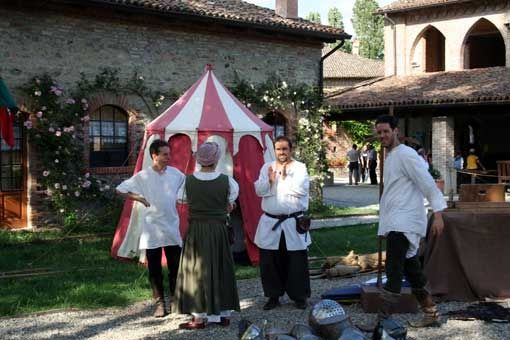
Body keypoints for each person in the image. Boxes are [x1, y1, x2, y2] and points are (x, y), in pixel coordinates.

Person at [374, 115, 446, 328]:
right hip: (397, 220)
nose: (382, 136)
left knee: (394, 269)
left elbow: (427, 182)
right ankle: (431, 313)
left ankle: (383, 321)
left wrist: (439, 213)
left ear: (396, 130)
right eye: (379, 132)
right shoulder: (392, 156)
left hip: (403, 221)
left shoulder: (406, 154)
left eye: (386, 131)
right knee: (412, 269)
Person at [174, 141, 240, 330]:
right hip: (218, 230)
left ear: (199, 160)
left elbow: (180, 199)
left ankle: (199, 317)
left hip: (197, 230)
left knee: (196, 270)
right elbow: (230, 200)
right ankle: (222, 315)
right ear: (217, 159)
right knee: (220, 267)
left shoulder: (188, 181)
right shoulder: (228, 181)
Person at [116, 139, 185, 318]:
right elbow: (120, 189)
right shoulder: (143, 176)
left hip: (171, 226)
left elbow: (186, 190)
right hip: (152, 228)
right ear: (154, 155)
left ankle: (176, 300)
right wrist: (139, 199)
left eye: (169, 154)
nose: (169, 157)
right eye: (165, 154)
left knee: (175, 266)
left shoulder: (176, 174)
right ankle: (160, 303)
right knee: (154, 268)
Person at [254, 135, 311, 310]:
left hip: (293, 221)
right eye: (278, 149)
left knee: (296, 261)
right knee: (270, 261)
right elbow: (258, 190)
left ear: (291, 149)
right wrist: (271, 180)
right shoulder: (267, 167)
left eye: (285, 149)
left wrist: (284, 179)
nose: (281, 152)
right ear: (275, 150)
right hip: (271, 222)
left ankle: (299, 296)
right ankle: (273, 295)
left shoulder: (300, 168)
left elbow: (302, 190)